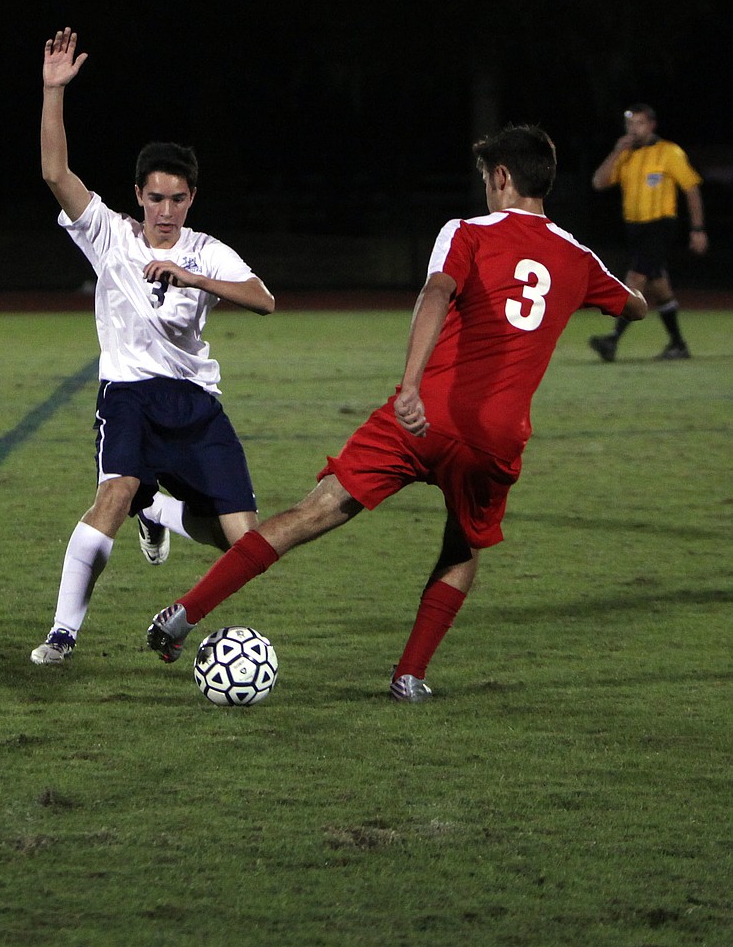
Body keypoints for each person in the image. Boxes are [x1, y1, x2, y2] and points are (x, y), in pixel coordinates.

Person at [144, 125, 648, 701]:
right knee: (462, 547)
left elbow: (435, 292)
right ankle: (409, 675)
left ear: (502, 177)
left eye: (487, 177)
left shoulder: (467, 232)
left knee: (315, 511)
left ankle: (183, 615)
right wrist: (623, 289)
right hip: (496, 437)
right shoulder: (576, 256)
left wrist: (409, 386)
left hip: (423, 416)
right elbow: (634, 306)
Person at [31, 28, 275, 665]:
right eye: (156, 198)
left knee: (245, 545)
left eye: (178, 199)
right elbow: (55, 172)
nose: (166, 210)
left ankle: (162, 513)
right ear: (138, 195)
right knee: (112, 494)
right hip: (130, 397)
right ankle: (62, 634)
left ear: (192, 198)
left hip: (196, 404)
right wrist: (54, 92)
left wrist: (193, 277)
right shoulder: (110, 236)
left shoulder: (205, 250)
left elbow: (264, 299)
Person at [588, 104, 708, 362]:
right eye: (630, 124)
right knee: (660, 287)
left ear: (651, 125)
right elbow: (598, 182)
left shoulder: (668, 151)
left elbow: (691, 188)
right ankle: (678, 345)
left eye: (639, 123)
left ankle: (612, 340)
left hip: (661, 226)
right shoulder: (626, 154)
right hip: (635, 229)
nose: (634, 129)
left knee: (636, 277)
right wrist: (615, 152)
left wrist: (697, 228)